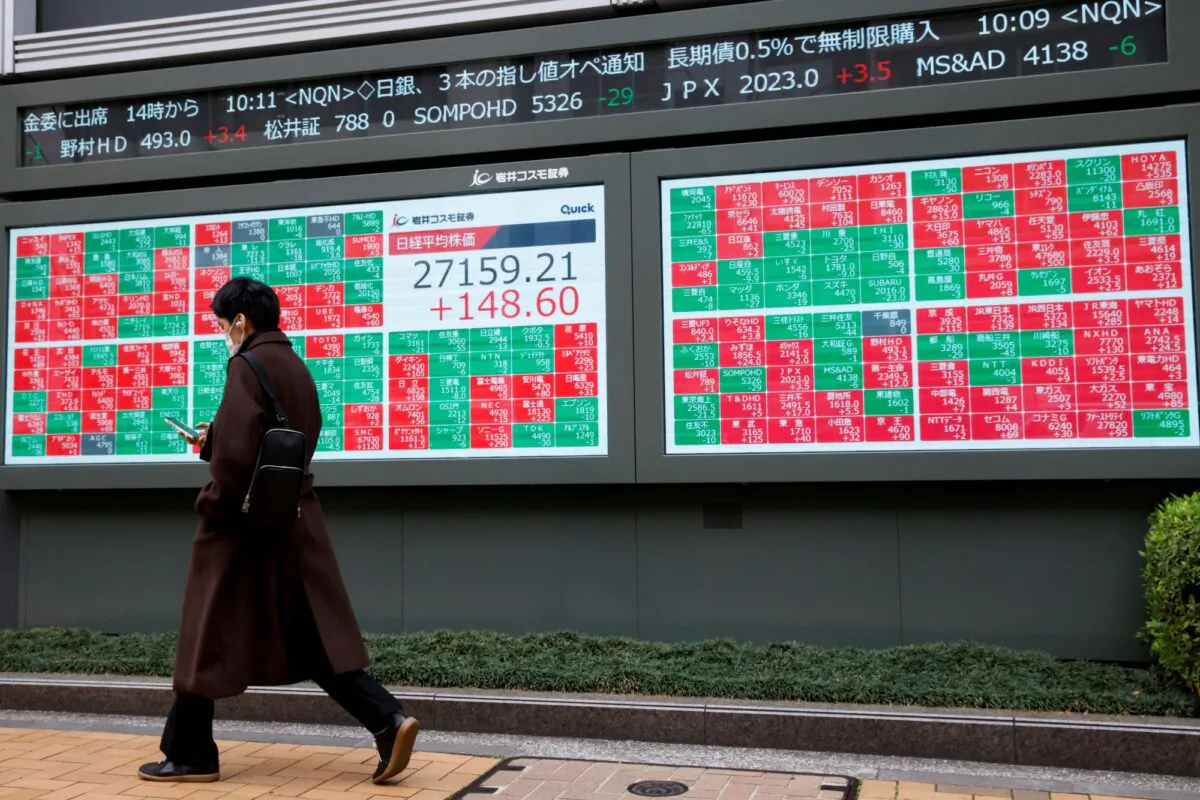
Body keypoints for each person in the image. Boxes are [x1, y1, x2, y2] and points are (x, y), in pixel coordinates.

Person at [138, 277, 418, 785]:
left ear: (241, 322)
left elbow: (239, 459)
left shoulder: (245, 365)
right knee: (310, 635)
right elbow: (280, 440)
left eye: (223, 326)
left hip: (240, 528)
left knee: (205, 631)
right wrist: (215, 440)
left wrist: (213, 500)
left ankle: (191, 753)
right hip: (292, 519)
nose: (224, 335)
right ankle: (387, 719)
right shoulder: (295, 365)